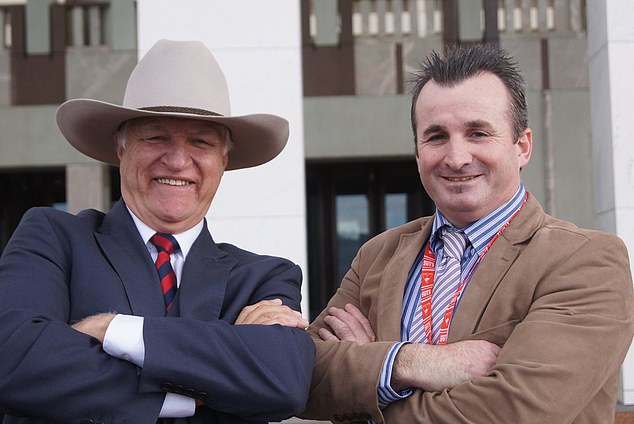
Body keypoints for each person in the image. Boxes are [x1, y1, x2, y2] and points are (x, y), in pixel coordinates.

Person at [300, 44, 634, 423]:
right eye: (436, 136)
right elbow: (302, 378)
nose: (456, 157)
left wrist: (367, 374)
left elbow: (514, 412)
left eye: (477, 133)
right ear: (417, 151)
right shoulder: (378, 256)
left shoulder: (586, 261)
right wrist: (407, 363)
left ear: (522, 147)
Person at [0, 39, 315, 424]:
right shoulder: (52, 237)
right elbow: (13, 359)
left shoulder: (263, 276)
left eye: (200, 142)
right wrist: (206, 381)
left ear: (223, 160)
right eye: (155, 137)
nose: (178, 160)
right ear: (121, 148)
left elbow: (283, 381)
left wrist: (113, 328)